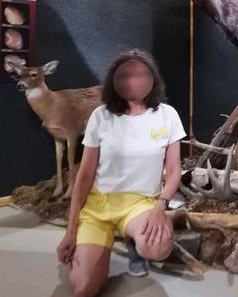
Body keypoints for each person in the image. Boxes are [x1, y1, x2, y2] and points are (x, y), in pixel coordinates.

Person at [56, 49, 187, 297]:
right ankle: (101, 244)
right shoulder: (101, 116)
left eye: (141, 75)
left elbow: (174, 171)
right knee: (84, 289)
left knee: (157, 248)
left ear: (153, 78)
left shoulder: (168, 115)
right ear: (114, 81)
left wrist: (161, 207)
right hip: (99, 205)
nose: (133, 81)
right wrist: (70, 231)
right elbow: (83, 176)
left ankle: (135, 244)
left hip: (141, 203)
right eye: (125, 75)